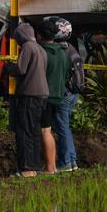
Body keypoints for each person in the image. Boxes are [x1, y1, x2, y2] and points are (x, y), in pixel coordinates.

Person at [8, 22, 48, 177]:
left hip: (29, 95)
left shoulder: (27, 47)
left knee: (24, 132)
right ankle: (35, 167)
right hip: (42, 95)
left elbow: (20, 69)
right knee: (34, 132)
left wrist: (8, 67)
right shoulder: (40, 49)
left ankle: (26, 169)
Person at [46, 16, 82, 171]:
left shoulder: (61, 50)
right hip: (74, 93)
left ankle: (66, 163)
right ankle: (72, 161)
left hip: (65, 94)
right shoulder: (71, 48)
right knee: (65, 126)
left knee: (62, 127)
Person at [37, 21, 63, 175]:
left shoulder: (42, 52)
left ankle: (50, 167)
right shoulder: (61, 51)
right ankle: (52, 166)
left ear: (39, 35)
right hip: (58, 95)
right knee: (49, 130)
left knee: (45, 131)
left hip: (45, 96)